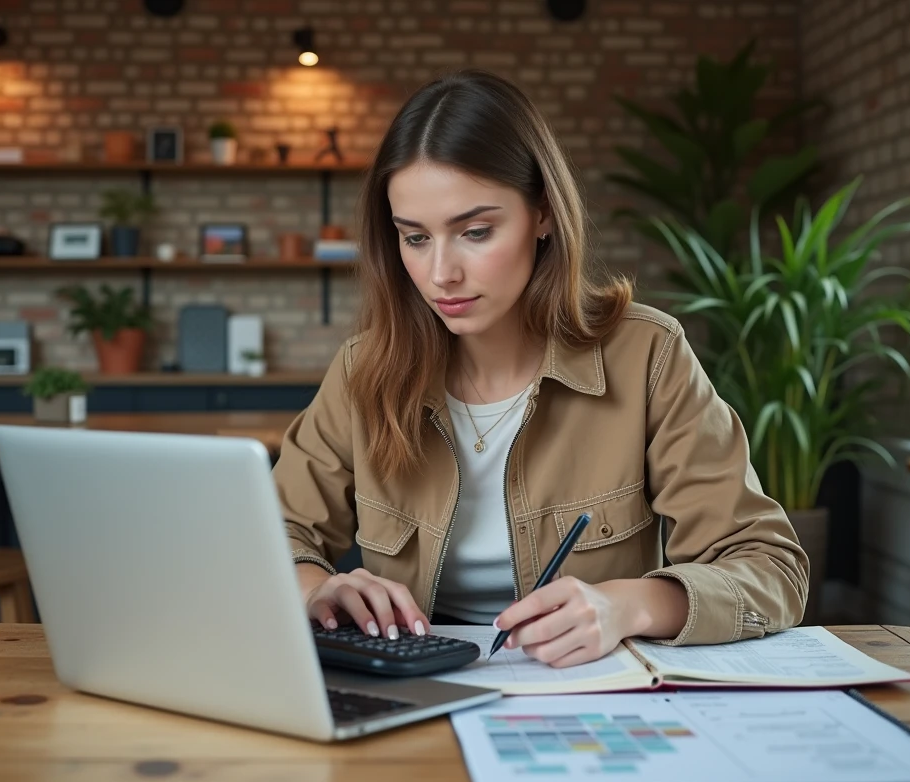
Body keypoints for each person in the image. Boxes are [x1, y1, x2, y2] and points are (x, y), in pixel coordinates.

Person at [273, 68, 808, 669]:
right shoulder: (365, 370)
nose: (441, 273)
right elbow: (270, 532)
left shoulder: (646, 356)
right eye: (415, 238)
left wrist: (628, 607)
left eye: (476, 231)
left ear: (544, 215)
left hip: (589, 687)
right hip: (414, 683)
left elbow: (770, 568)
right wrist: (315, 589)